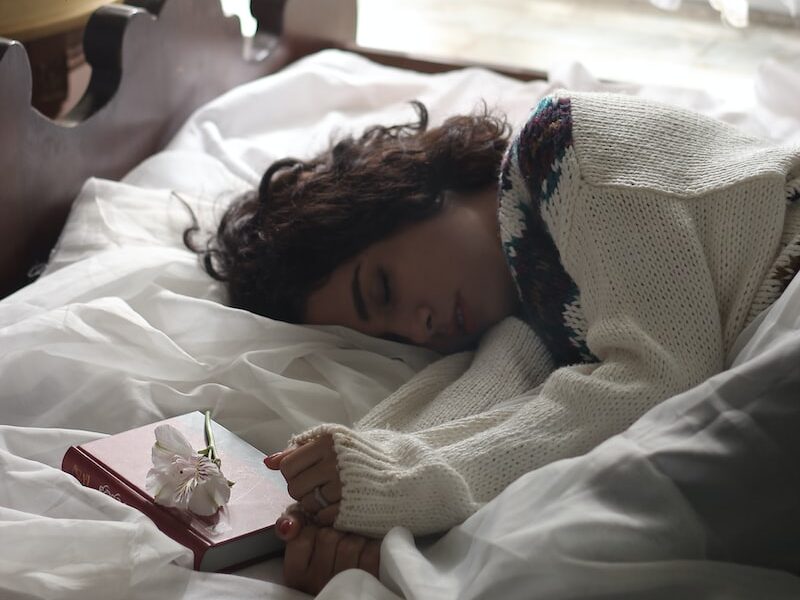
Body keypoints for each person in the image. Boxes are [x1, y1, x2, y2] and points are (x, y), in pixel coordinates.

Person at [189, 92, 800, 594]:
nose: (419, 328)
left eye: (382, 288)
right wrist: (330, 510)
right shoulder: (530, 295)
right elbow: (484, 402)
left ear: (408, 193)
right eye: (394, 336)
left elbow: (659, 377)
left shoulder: (564, 152)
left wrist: (405, 487)